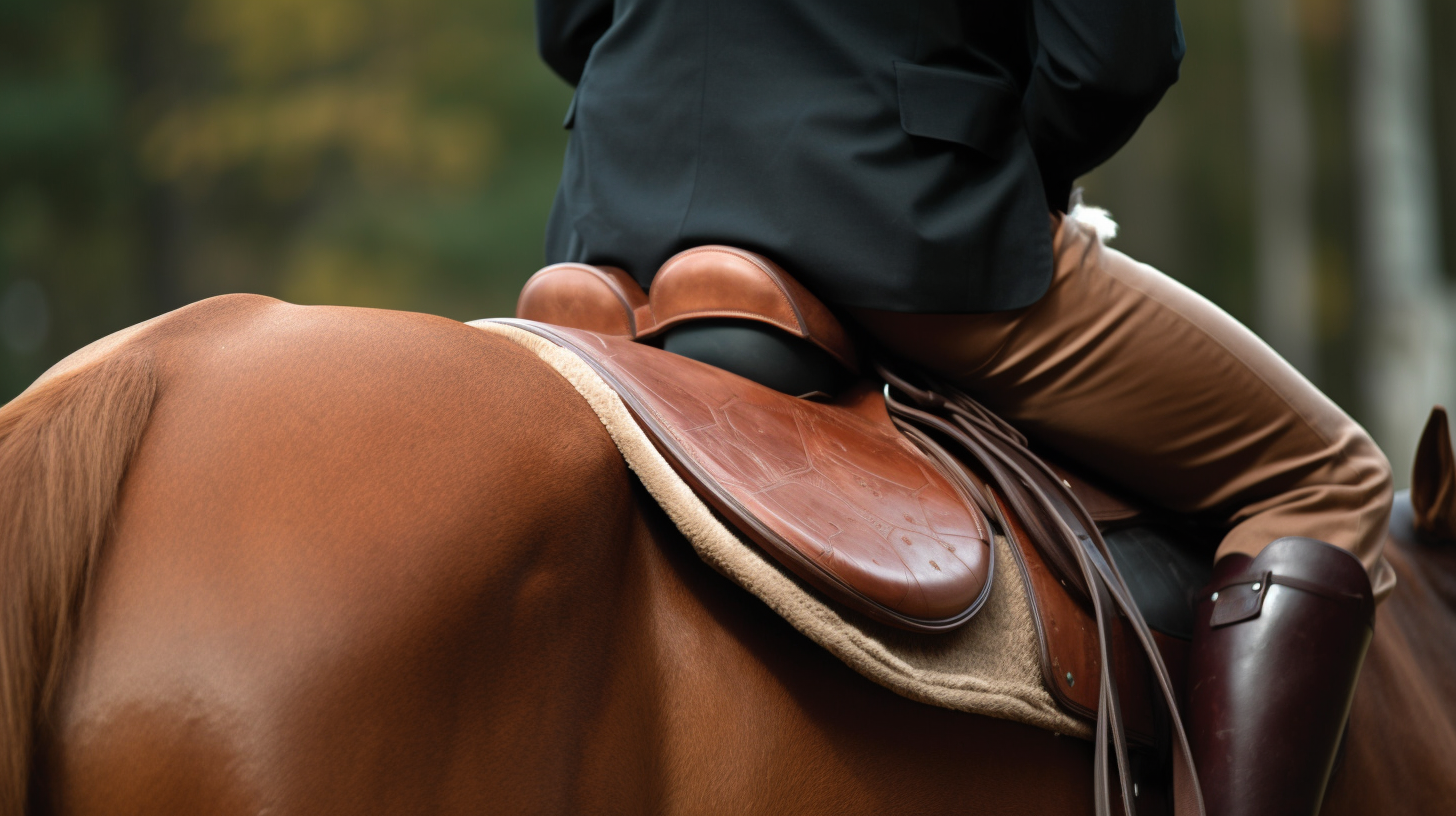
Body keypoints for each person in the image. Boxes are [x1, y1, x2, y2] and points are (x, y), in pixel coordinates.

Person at [534, 1, 1392, 813]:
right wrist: (1013, 172)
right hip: (896, 210)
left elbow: (569, 25)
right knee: (1327, 474)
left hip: (615, 219)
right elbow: (1112, 61)